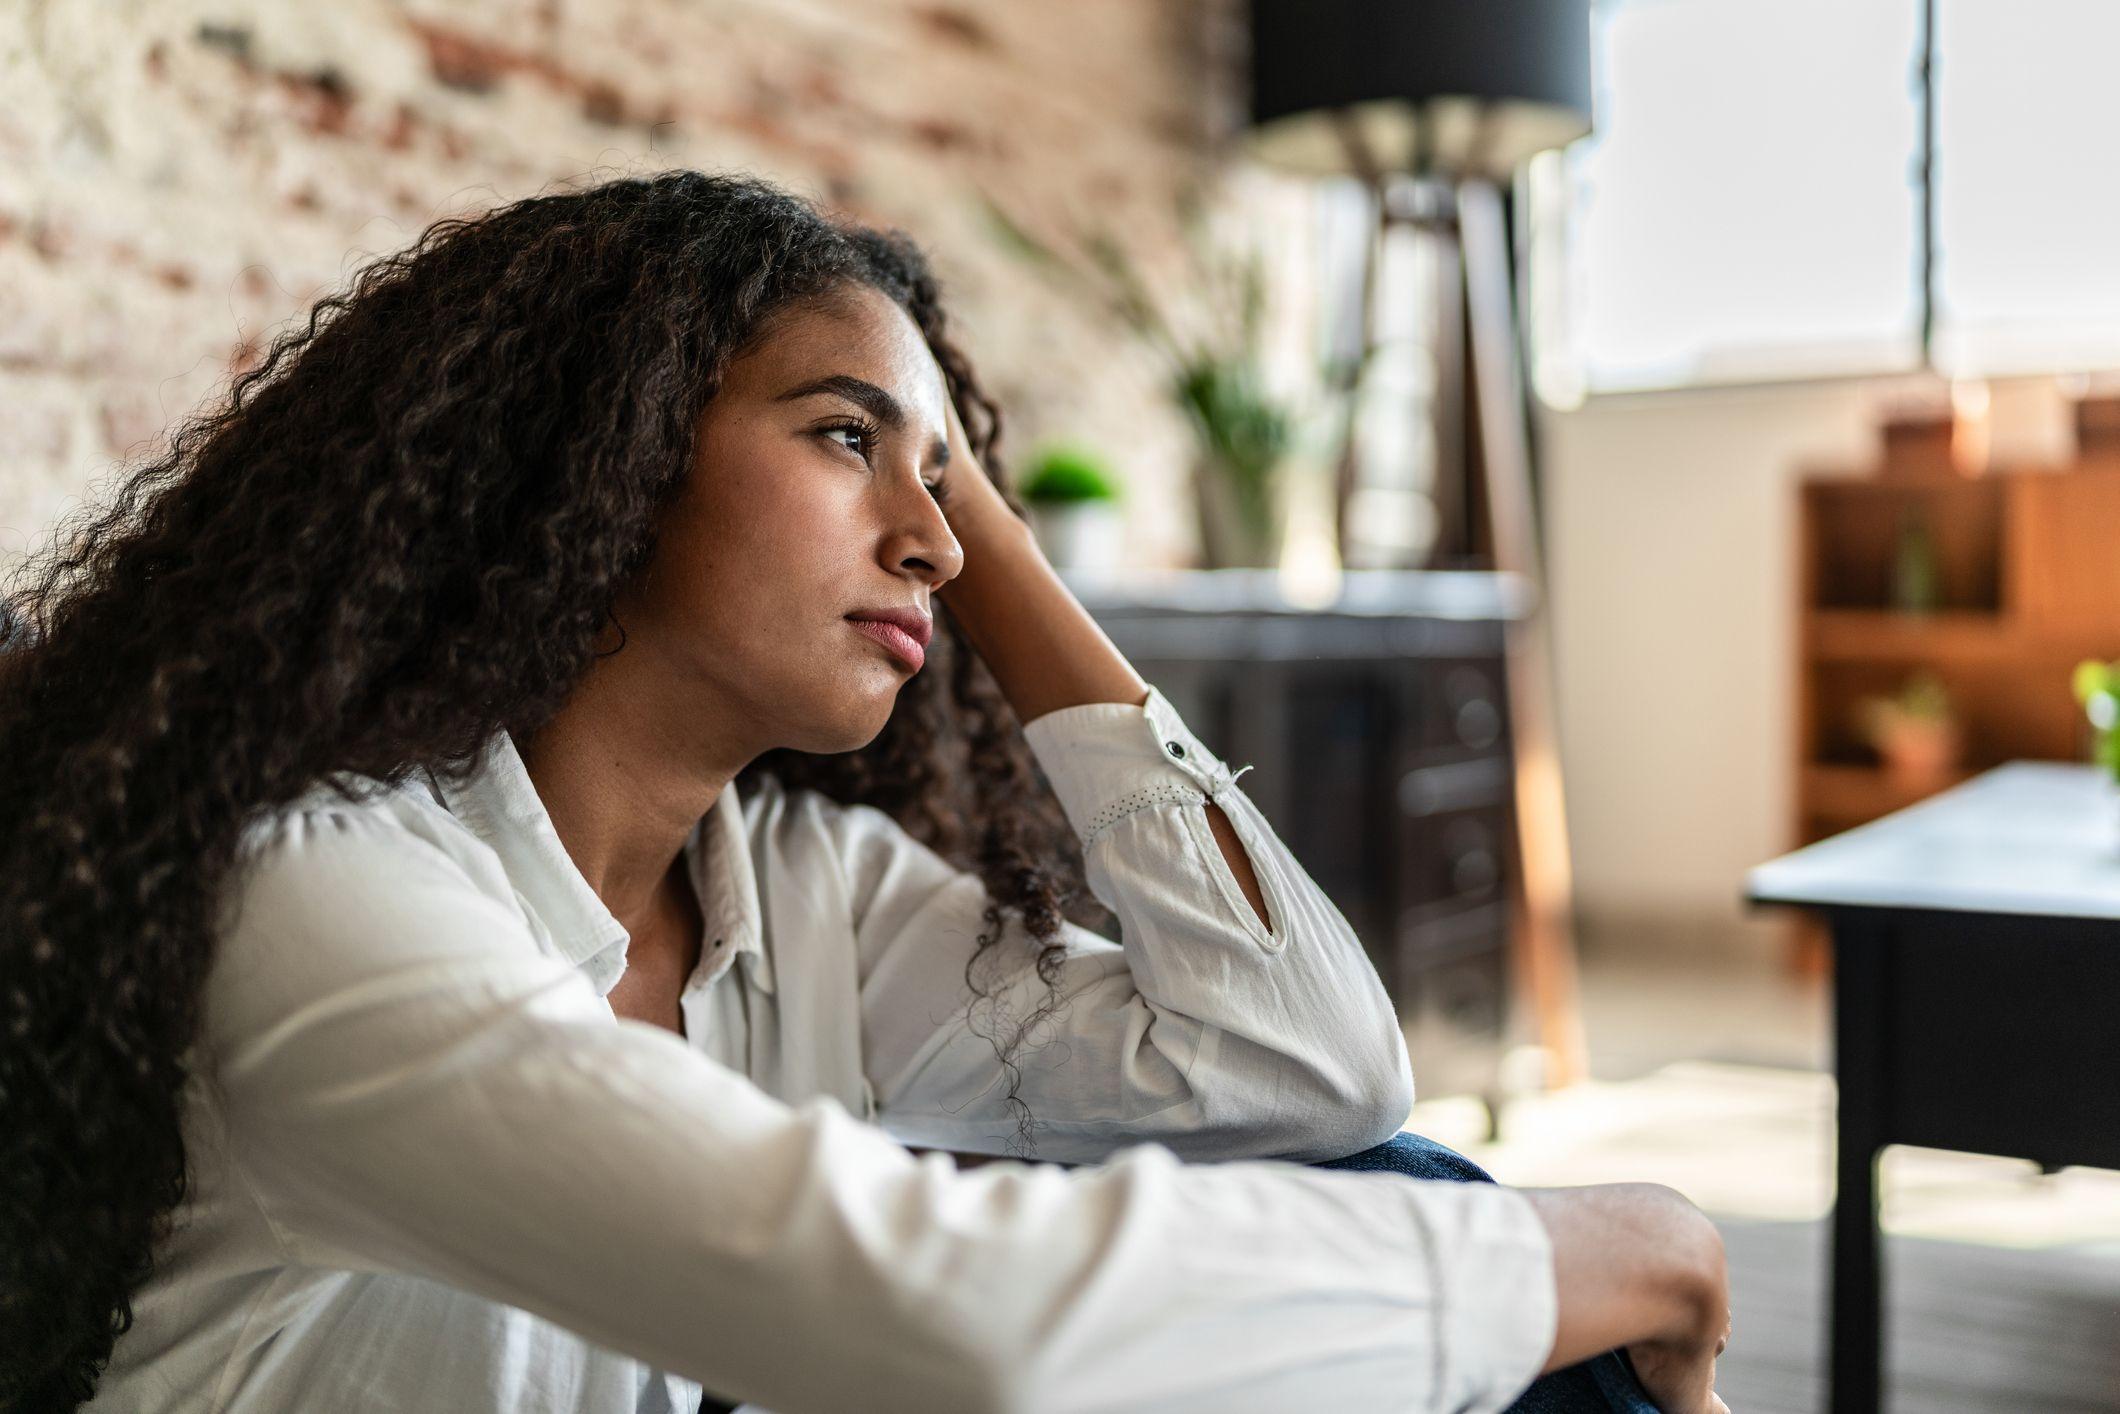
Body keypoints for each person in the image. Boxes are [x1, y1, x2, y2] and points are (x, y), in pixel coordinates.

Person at [0, 171, 1728, 1414]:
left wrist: (995, 544)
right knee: (1483, 1276)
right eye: (845, 439)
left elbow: (1307, 1066)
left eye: (949, 475)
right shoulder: (318, 890)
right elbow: (929, 1314)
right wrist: (1623, 1240)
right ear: (596, 464)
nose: (936, 538)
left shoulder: (797, 889)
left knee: (1404, 1191)